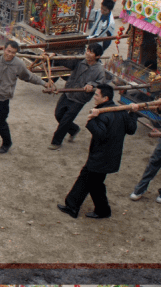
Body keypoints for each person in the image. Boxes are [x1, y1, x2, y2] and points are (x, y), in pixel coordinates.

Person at [57, 84, 138, 219]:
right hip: (111, 157)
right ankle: (102, 210)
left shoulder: (103, 114)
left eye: (97, 95)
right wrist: (133, 114)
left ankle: (73, 207)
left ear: (105, 98)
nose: (94, 97)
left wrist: (91, 119)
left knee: (85, 179)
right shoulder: (121, 111)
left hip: (100, 157)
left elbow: (100, 135)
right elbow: (131, 129)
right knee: (95, 184)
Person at [48, 45, 107, 149]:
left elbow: (100, 83)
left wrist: (92, 85)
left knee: (66, 119)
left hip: (80, 98)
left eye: (91, 52)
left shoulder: (99, 70)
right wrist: (55, 56)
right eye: (88, 50)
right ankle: (74, 129)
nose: (87, 53)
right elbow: (67, 61)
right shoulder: (80, 61)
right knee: (58, 114)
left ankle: (56, 142)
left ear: (97, 56)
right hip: (69, 91)